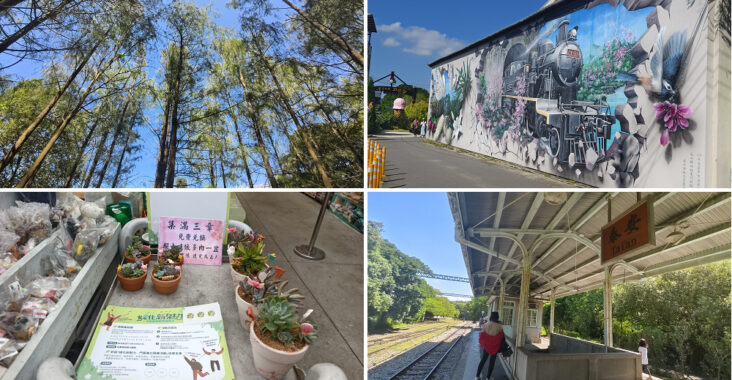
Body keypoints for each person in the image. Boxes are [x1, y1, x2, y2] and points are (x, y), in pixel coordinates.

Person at [476, 311, 504, 380]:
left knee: (483, 361)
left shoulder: (485, 325)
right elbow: (501, 336)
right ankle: (488, 378)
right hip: (495, 347)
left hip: (486, 347)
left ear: (491, 317)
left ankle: (477, 376)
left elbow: (482, 336)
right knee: (492, 362)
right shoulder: (499, 326)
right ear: (497, 317)